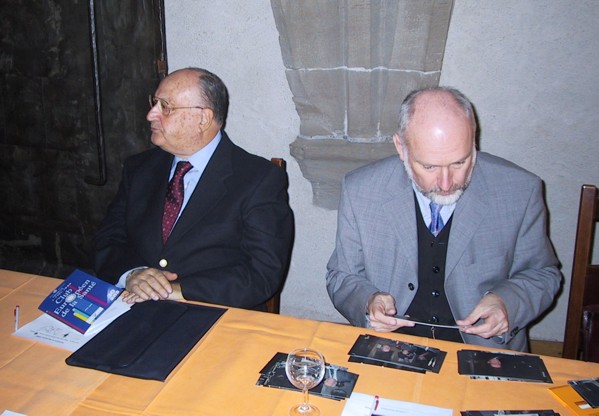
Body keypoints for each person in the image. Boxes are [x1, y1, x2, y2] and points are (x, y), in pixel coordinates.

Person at [325, 86, 560, 351]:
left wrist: (507, 303)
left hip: (483, 351)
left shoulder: (519, 190)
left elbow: (542, 274)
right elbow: (342, 276)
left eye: (460, 162)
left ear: (474, 140)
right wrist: (369, 302)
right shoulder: (361, 190)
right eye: (429, 166)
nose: (447, 183)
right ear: (401, 147)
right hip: (390, 349)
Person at [93, 67, 294, 310]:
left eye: (165, 106)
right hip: (133, 306)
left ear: (203, 119)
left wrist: (176, 290)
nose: (150, 115)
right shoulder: (139, 168)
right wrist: (132, 274)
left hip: (212, 313)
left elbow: (262, 273)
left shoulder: (258, 179)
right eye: (154, 103)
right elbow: (109, 238)